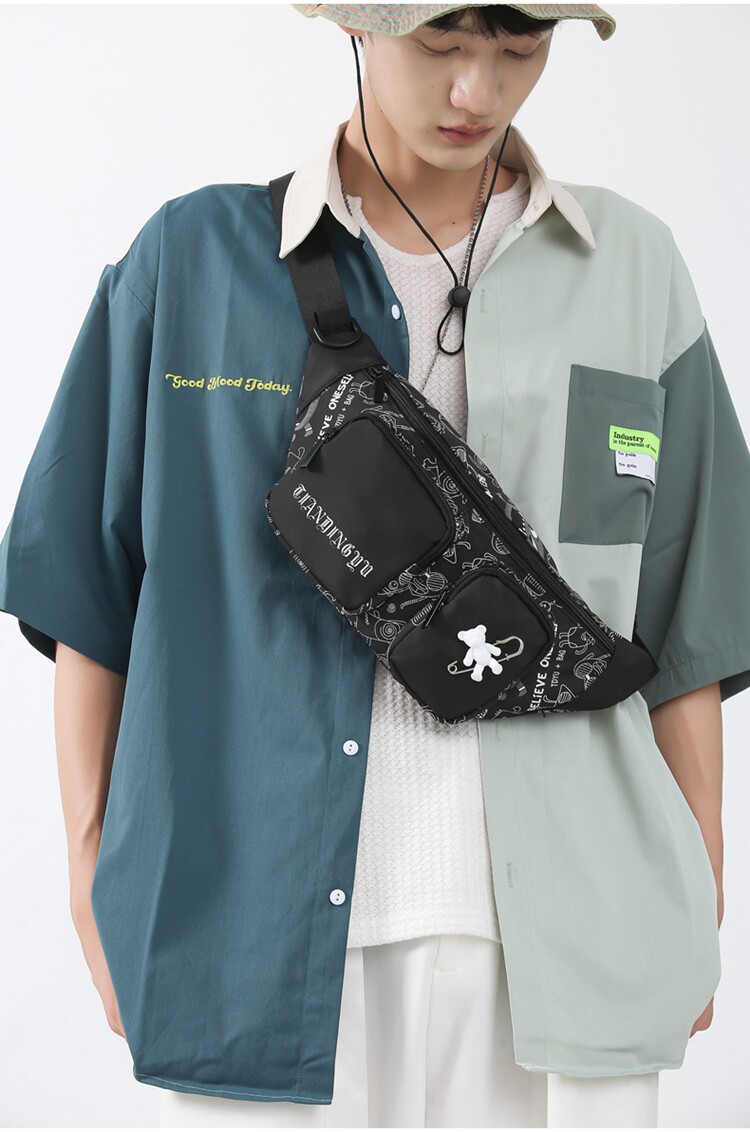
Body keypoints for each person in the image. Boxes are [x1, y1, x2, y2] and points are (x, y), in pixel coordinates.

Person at [0, 2, 748, 1128]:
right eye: (441, 45)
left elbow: (688, 616)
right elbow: (90, 592)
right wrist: (87, 863)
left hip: (576, 939)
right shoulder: (192, 262)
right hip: (252, 932)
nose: (478, 91)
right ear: (356, 25)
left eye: (520, 49)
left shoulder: (633, 267)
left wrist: (700, 881)